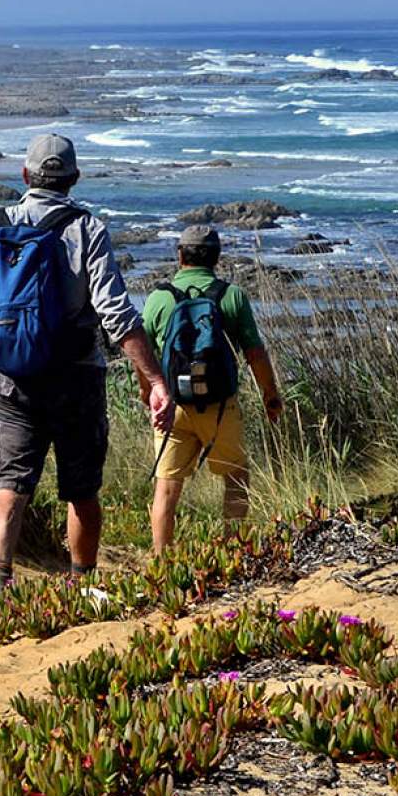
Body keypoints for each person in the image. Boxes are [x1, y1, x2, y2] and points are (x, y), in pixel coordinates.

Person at [0, 133, 173, 606]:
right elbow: (117, 314)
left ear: (25, 176)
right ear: (74, 178)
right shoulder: (87, 229)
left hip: (10, 379)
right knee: (81, 492)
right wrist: (156, 380)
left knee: (10, 487)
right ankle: (80, 585)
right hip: (76, 377)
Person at [139, 224, 285, 554]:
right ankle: (231, 554)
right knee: (235, 478)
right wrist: (270, 394)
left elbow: (141, 354)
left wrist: (148, 392)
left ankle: (162, 562)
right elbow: (254, 353)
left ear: (179, 255)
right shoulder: (230, 296)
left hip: (172, 406)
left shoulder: (159, 298)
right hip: (220, 406)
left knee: (166, 488)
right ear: (217, 257)